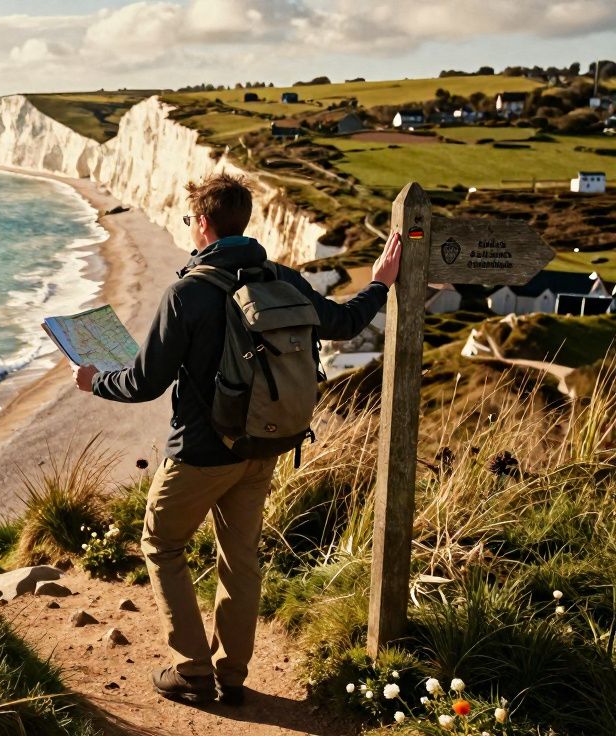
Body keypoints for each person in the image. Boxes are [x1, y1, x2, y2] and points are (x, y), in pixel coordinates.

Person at [72, 172, 401, 706]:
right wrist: (381, 280)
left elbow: (143, 382)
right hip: (263, 445)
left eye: (189, 221)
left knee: (161, 543)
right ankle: (232, 674)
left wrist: (93, 381)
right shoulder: (283, 280)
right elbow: (343, 322)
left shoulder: (187, 293)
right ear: (241, 223)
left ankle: (193, 671)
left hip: (201, 452)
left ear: (202, 224)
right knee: (240, 559)